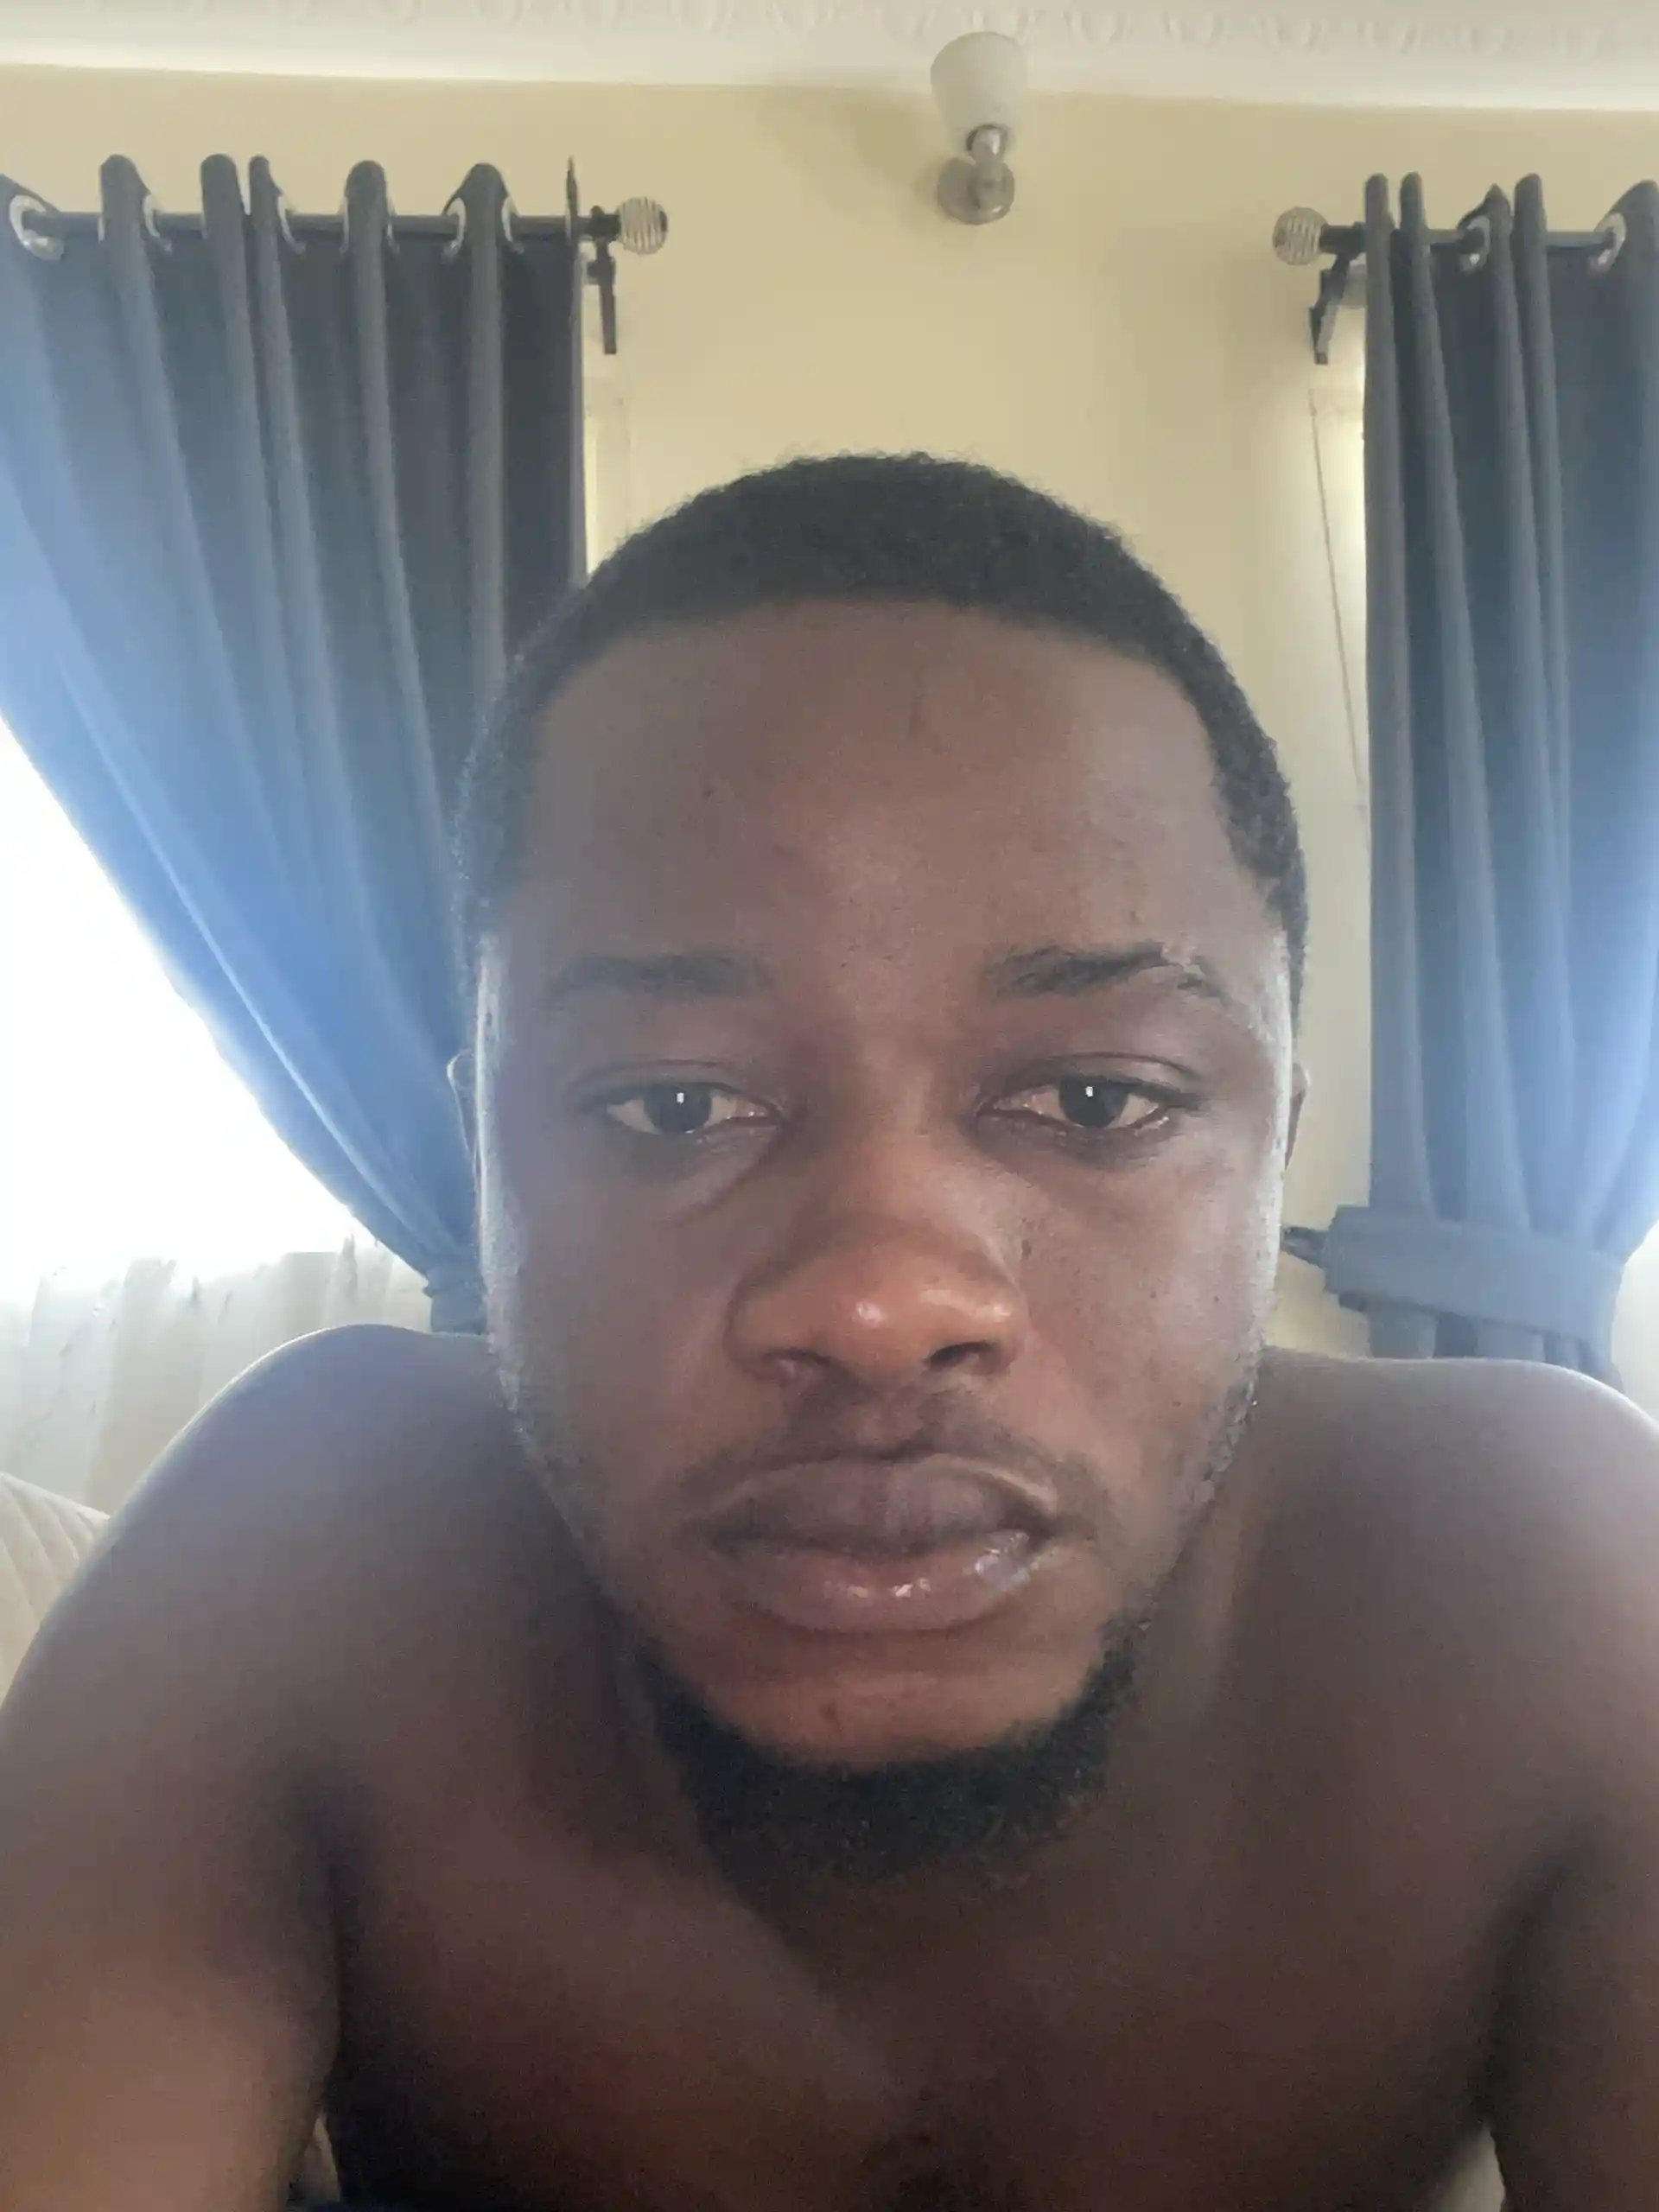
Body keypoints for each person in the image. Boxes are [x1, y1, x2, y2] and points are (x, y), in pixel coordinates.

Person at [2, 454, 1657, 2212]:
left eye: (1096, 1097)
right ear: (482, 1153)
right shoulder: (300, 1559)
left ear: (1274, 1143)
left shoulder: (1554, 1584)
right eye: (672, 1105)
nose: (879, 1303)